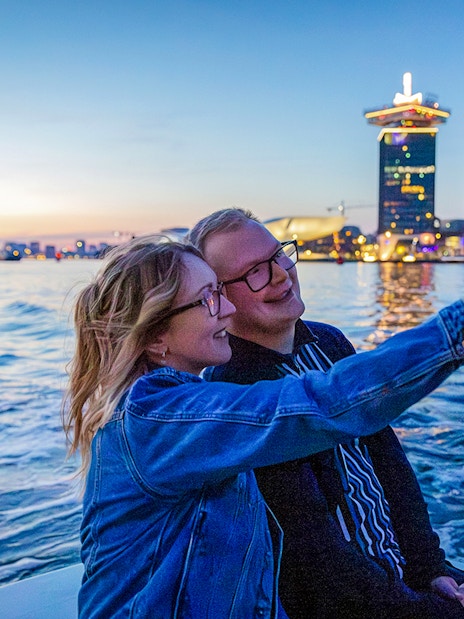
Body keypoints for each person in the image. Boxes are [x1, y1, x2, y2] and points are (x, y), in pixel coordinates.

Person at [63, 234, 464, 619]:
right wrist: (455, 331)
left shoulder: (180, 409)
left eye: (218, 293)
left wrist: (428, 570)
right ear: (155, 338)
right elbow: (318, 405)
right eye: (207, 300)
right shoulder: (155, 421)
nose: (228, 310)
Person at [189, 208, 464, 619]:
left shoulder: (329, 342)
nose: (282, 274)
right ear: (219, 300)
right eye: (255, 273)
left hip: (405, 578)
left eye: (279, 255)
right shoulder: (235, 394)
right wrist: (426, 608)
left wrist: (430, 570)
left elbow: (391, 466)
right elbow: (316, 554)